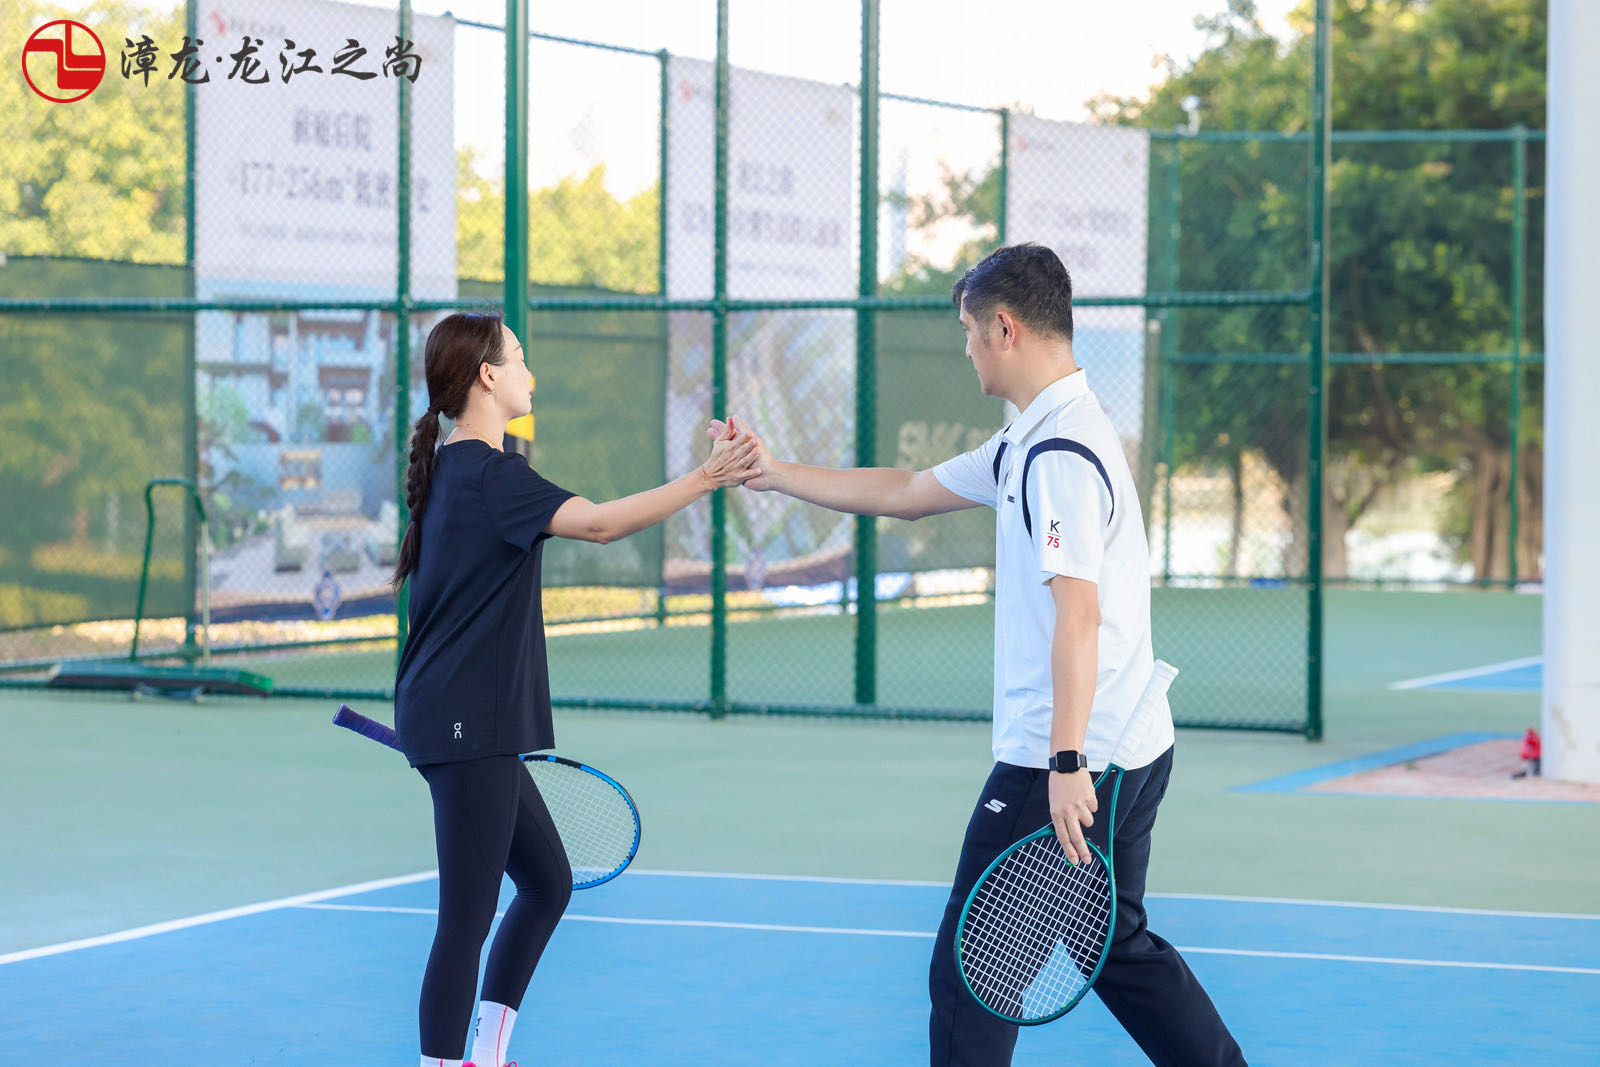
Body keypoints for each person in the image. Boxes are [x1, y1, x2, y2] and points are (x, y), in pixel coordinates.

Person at [712, 244, 1245, 1066]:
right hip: (1131, 741)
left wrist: (1065, 760)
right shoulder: (1032, 438)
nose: (966, 349)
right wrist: (775, 473)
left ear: (1004, 327)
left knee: (971, 974)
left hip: (1070, 759)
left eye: (968, 331)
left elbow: (1079, 615)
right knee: (1111, 944)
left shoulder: (1058, 451)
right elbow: (906, 492)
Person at [392, 310, 760, 1067]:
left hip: (464, 720)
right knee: (466, 918)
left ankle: (487, 1053)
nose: (530, 373)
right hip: (466, 723)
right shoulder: (491, 474)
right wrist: (707, 476)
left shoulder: (459, 468)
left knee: (547, 882)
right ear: (487, 376)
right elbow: (598, 524)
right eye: (518, 358)